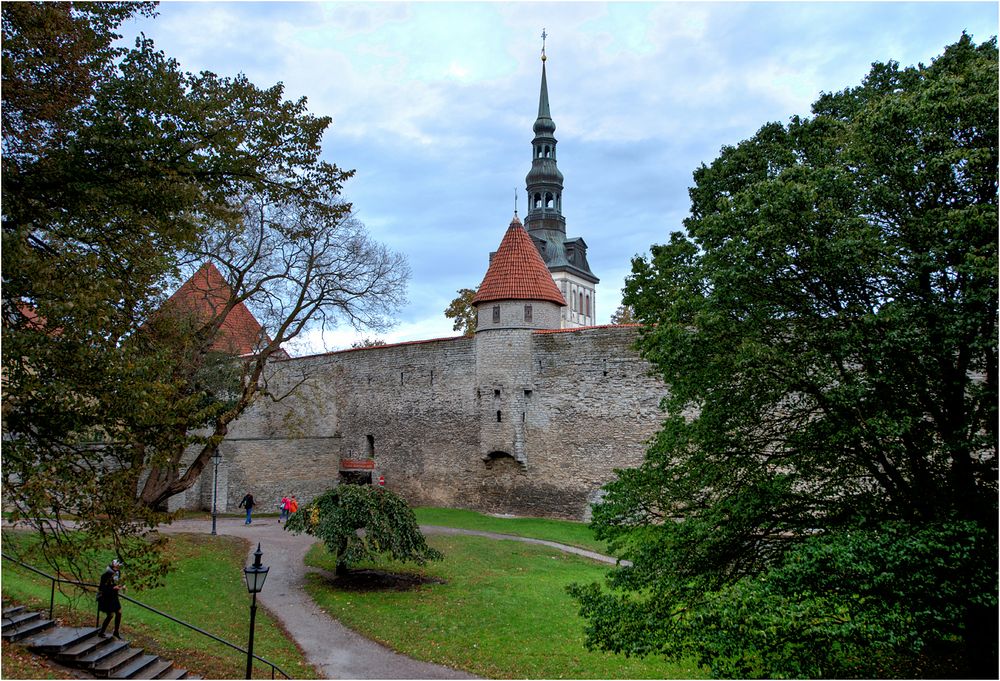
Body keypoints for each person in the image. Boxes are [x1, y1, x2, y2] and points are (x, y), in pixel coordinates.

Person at [97, 559, 123, 639]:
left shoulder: (117, 574)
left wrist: (121, 586)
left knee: (119, 612)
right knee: (110, 615)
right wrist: (113, 588)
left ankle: (116, 632)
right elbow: (102, 588)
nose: (118, 569)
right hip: (106, 598)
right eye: (117, 567)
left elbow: (117, 583)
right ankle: (101, 632)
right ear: (113, 566)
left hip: (114, 596)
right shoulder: (105, 575)